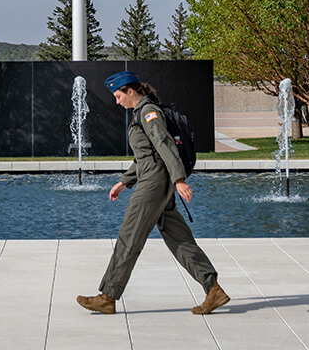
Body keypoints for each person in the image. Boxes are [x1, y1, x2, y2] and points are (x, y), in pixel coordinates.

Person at [76, 70, 230, 315]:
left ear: (131, 91)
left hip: (154, 184)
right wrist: (124, 182)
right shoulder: (141, 114)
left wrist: (179, 179)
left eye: (118, 96)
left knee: (129, 236)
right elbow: (147, 157)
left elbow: (164, 144)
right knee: (179, 238)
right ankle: (214, 290)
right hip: (156, 180)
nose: (117, 101)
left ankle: (108, 297)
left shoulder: (148, 113)